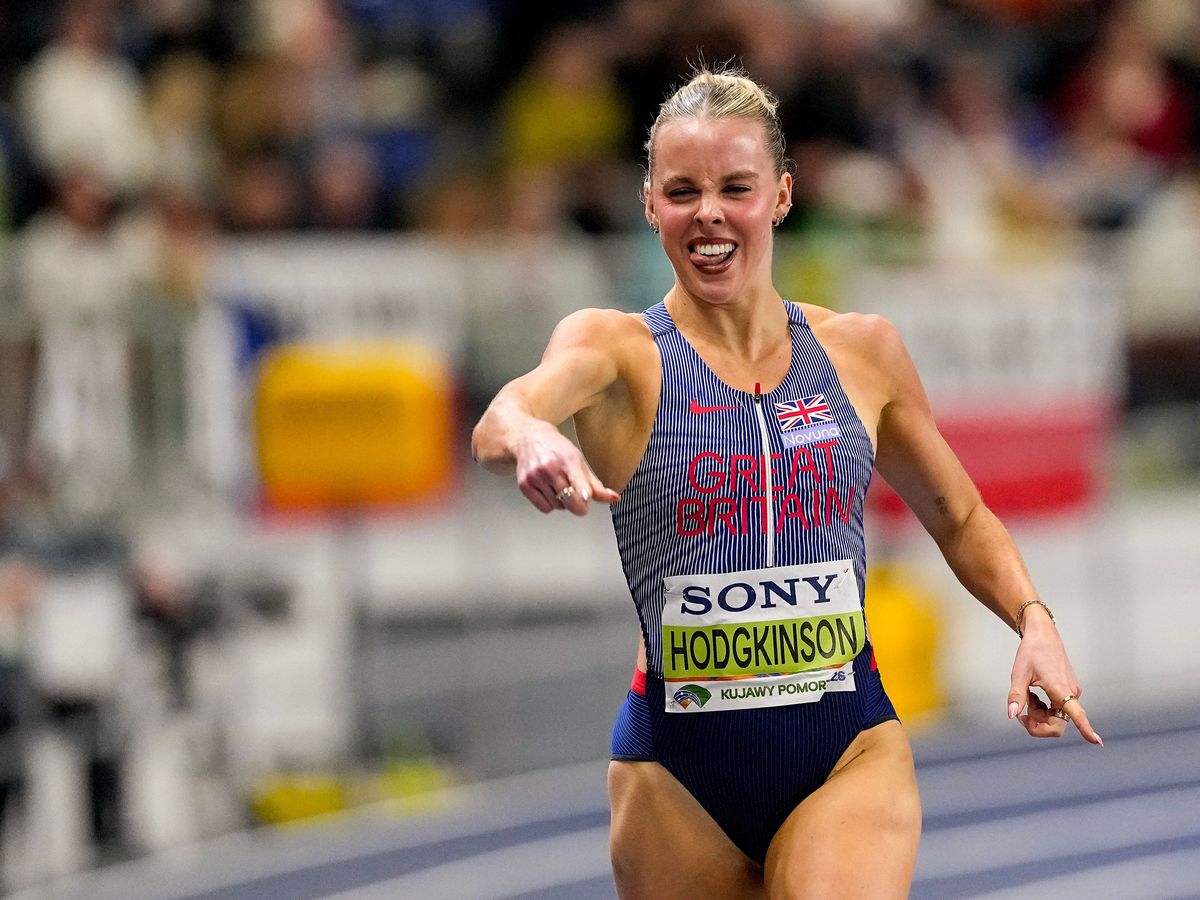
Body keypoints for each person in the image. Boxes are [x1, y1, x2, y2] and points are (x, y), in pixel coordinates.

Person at [472, 66, 1102, 899]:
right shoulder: (616, 350)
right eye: (682, 190)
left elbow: (958, 514)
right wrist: (530, 439)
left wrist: (1033, 620)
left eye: (736, 187)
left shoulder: (861, 353)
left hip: (845, 750)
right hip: (676, 778)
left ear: (781, 196)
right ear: (650, 204)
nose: (708, 213)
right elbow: (503, 415)